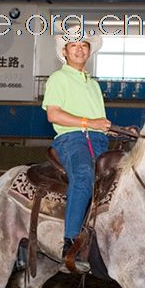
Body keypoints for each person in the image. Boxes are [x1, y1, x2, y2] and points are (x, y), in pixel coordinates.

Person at [42, 27, 112, 270]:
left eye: (84, 45)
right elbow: (53, 114)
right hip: (72, 139)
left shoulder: (93, 84)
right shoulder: (58, 79)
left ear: (89, 51)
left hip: (99, 140)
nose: (80, 48)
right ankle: (69, 243)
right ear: (65, 51)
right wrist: (89, 123)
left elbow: (97, 119)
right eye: (74, 45)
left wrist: (108, 128)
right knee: (83, 176)